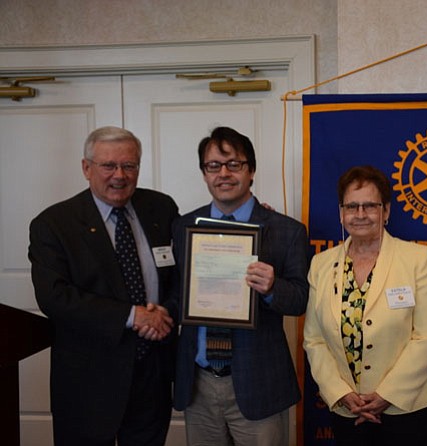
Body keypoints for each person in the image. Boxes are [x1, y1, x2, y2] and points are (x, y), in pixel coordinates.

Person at [28, 126, 179, 446]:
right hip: (89, 383)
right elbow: (55, 297)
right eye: (109, 166)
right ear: (86, 168)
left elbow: (184, 274)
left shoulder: (161, 208)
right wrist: (131, 316)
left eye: (129, 166)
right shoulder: (54, 224)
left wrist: (164, 312)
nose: (120, 175)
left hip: (152, 374)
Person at [172, 126, 309, 446]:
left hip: (258, 382)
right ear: (204, 174)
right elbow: (178, 294)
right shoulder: (183, 227)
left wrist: (273, 286)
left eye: (234, 164)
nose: (224, 173)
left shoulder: (287, 231)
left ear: (251, 171)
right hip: (198, 383)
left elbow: (301, 300)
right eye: (214, 166)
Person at [303, 165, 427, 445]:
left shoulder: (418, 259)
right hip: (348, 409)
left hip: (408, 408)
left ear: (386, 211)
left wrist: (385, 396)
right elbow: (314, 340)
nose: (360, 214)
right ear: (341, 213)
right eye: (352, 206)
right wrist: (339, 392)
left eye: (370, 205)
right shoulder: (321, 264)